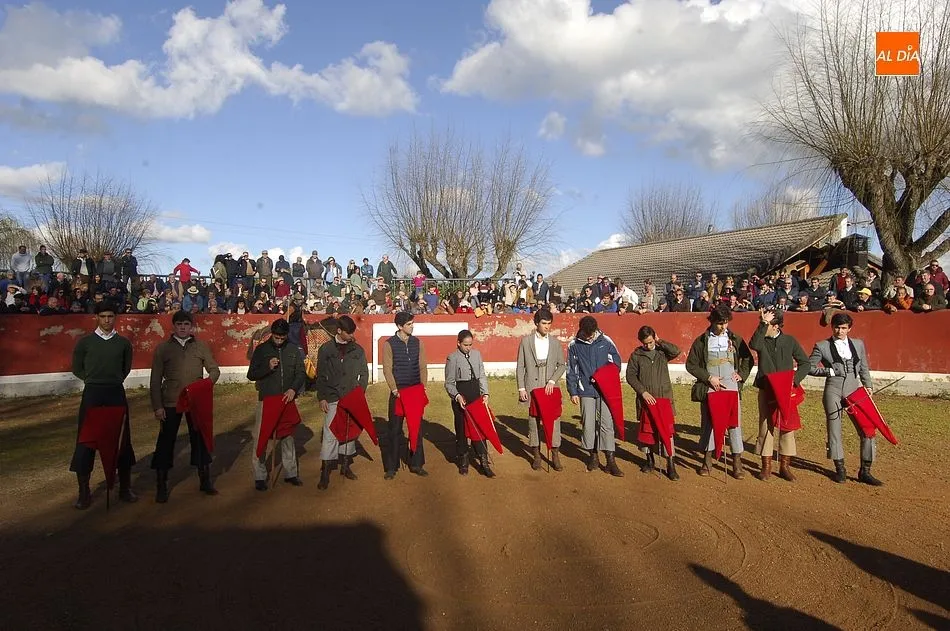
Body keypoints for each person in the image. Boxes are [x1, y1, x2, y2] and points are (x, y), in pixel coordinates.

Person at [69, 301, 137, 509]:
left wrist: (112, 380)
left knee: (121, 439)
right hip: (93, 393)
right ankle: (84, 492)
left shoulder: (123, 343)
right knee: (86, 440)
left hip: (115, 391)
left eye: (110, 316)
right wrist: (93, 380)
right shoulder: (85, 343)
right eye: (103, 316)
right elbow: (77, 368)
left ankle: (124, 488)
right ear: (96, 318)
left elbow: (125, 368)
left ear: (115, 318)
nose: (107, 320)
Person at [149, 310, 221, 502]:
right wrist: (158, 406)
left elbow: (214, 369)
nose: (182, 328)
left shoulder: (200, 346)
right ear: (174, 326)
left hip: (195, 402)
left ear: (191, 327)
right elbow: (155, 380)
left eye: (186, 325)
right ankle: (161, 485)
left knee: (200, 439)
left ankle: (205, 480)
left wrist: (205, 386)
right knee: (166, 441)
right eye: (179, 324)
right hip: (171, 400)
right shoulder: (163, 349)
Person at [808, 312, 881, 485]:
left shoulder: (858, 344)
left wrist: (868, 385)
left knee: (867, 427)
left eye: (843, 328)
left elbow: (863, 366)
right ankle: (840, 469)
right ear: (832, 327)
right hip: (833, 388)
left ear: (849, 328)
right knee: (834, 429)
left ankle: (865, 470)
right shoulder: (822, 346)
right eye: (837, 328)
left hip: (854, 389)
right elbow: (809, 367)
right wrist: (829, 371)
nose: (840, 331)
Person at [686, 304, 754, 478]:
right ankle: (707, 460)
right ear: (712, 321)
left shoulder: (735, 338)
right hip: (711, 386)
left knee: (734, 423)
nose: (724, 327)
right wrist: (708, 378)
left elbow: (748, 359)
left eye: (726, 323)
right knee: (710, 422)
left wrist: (742, 375)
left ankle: (737, 462)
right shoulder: (702, 341)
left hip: (731, 384)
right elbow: (691, 364)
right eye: (720, 323)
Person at [749, 309, 810, 482]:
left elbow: (805, 363)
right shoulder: (762, 340)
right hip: (766, 387)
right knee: (765, 425)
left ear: (775, 326)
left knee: (787, 427)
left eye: (767, 324)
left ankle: (784, 466)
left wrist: (794, 380)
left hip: (785, 389)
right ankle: (766, 466)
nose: (762, 325)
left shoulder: (789, 341)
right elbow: (753, 344)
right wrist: (762, 323)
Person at [247, 318, 306, 490]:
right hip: (266, 400)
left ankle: (291, 473)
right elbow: (252, 374)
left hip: (286, 399)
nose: (279, 340)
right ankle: (259, 475)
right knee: (261, 437)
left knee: (287, 437)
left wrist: (294, 389)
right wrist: (267, 366)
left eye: (282, 338)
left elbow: (300, 373)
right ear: (271, 334)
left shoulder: (293, 349)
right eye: (277, 337)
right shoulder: (261, 350)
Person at [315, 315, 369, 490]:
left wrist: (359, 393)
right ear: (339, 331)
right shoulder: (326, 349)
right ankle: (325, 470)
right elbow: (321, 374)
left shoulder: (357, 350)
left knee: (349, 431)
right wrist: (321, 396)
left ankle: (345, 466)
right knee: (331, 432)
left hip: (351, 396)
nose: (352, 336)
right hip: (332, 395)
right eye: (348, 333)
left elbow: (364, 374)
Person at [566, 315, 624, 477]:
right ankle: (593, 456)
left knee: (607, 423)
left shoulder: (606, 341)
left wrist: (603, 377)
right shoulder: (574, 345)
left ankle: (610, 461)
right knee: (588, 424)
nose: (589, 336)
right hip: (585, 389)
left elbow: (616, 363)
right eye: (586, 333)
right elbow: (571, 369)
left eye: (591, 333)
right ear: (582, 331)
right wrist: (573, 391)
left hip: (604, 389)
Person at [625, 325, 681, 480]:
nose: (648, 346)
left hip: (664, 399)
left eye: (650, 342)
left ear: (654, 338)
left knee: (667, 434)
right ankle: (649, 461)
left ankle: (671, 464)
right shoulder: (636, 355)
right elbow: (630, 376)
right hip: (646, 401)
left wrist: (659, 341)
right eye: (645, 343)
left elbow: (677, 351)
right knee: (647, 433)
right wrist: (643, 392)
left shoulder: (662, 352)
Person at [516, 308, 567, 471]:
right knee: (533, 420)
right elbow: (520, 366)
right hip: (532, 384)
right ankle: (537, 455)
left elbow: (562, 365)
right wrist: (521, 388)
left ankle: (555, 454)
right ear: (536, 323)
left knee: (554, 420)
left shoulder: (555, 342)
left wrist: (553, 380)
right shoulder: (526, 341)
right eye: (544, 323)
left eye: (549, 324)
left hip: (550, 385)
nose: (547, 327)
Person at [382, 311, 429, 479]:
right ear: (400, 326)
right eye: (409, 324)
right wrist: (394, 389)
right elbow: (387, 369)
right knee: (394, 429)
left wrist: (423, 386)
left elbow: (422, 366)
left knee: (416, 428)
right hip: (399, 391)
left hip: (415, 389)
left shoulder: (418, 343)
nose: (412, 326)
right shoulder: (389, 344)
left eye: (412, 323)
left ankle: (416, 463)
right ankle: (391, 467)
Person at [445, 330, 493, 477]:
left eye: (470, 345)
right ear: (458, 343)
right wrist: (457, 396)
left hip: (475, 395)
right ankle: (464, 460)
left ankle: (483, 461)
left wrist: (485, 393)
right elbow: (449, 383)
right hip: (461, 396)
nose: (468, 348)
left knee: (479, 428)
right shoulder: (452, 358)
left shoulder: (477, 355)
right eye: (465, 345)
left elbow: (482, 375)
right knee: (461, 429)